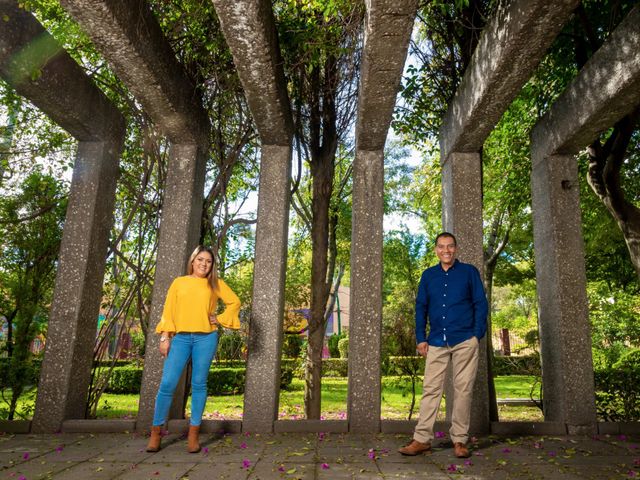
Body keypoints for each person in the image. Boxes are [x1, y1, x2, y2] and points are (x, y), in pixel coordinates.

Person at [398, 232, 487, 459]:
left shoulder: (469, 272)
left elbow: (480, 303)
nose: (446, 250)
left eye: (450, 246)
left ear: (455, 249)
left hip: (465, 339)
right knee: (431, 390)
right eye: (441, 246)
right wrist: (421, 337)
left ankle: (459, 440)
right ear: (436, 249)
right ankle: (422, 440)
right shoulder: (428, 276)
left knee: (463, 390)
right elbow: (421, 308)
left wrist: (477, 335)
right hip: (436, 340)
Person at [146, 245, 241, 453]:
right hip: (180, 338)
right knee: (168, 383)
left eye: (208, 261)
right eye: (200, 260)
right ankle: (156, 432)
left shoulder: (215, 284)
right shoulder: (179, 283)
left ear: (212, 265)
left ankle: (193, 433)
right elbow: (168, 311)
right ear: (192, 261)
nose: (204, 264)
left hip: (206, 338)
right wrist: (165, 336)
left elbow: (235, 302)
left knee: (199, 384)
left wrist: (219, 318)